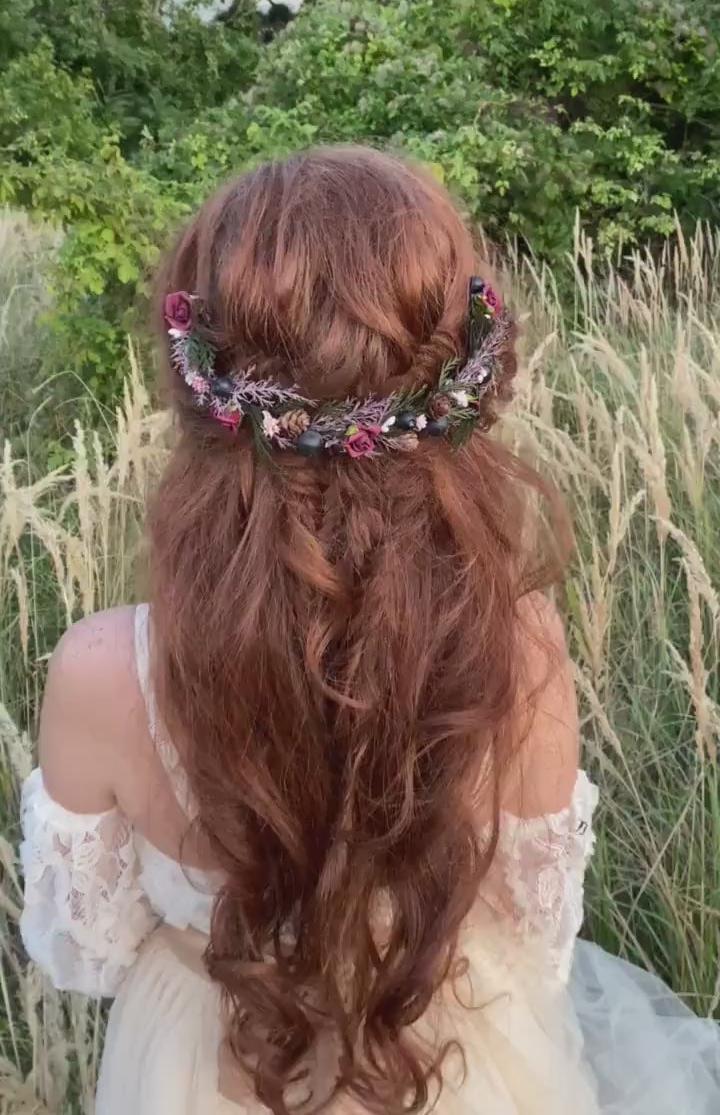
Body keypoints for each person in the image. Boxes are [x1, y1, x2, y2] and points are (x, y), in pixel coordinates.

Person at [19, 147, 720, 1114]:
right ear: (464, 379)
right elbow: (539, 937)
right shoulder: (518, 645)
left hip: (203, 1066)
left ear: (199, 387)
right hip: (457, 1055)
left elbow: (84, 956)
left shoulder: (105, 671)